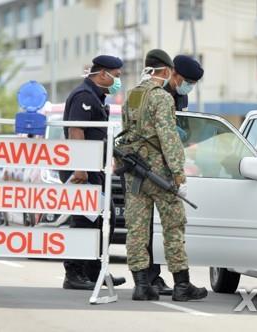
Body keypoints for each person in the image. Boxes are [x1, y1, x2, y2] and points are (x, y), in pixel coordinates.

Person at [118, 49, 208, 301]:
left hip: (136, 173)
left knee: (136, 230)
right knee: (173, 227)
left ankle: (142, 285)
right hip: (160, 175)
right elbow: (169, 139)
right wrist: (179, 175)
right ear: (167, 70)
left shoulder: (133, 94)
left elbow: (126, 132)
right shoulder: (162, 98)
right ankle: (181, 285)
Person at [59, 55, 126, 290]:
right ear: (102, 74)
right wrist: (80, 167)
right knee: (84, 221)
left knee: (103, 219)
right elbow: (77, 131)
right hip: (82, 171)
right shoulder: (84, 96)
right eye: (116, 76)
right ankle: (74, 273)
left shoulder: (96, 96)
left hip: (94, 168)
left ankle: (94, 271)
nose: (118, 81)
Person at [146, 54, 204, 296]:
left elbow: (183, 130)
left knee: (171, 226)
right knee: (146, 227)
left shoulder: (181, 95)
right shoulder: (155, 92)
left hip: (170, 165)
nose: (188, 85)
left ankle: (168, 280)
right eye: (186, 80)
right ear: (173, 73)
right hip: (150, 166)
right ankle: (151, 279)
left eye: (192, 82)